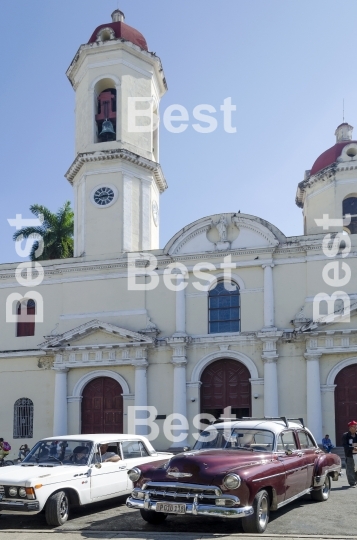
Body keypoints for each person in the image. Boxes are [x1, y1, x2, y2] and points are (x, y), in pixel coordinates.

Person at [342, 420, 357, 487]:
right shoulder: (345, 435)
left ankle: (356, 480)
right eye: (354, 426)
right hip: (349, 454)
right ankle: (352, 482)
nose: (356, 428)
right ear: (350, 427)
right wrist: (352, 448)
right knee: (350, 469)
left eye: (356, 426)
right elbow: (344, 445)